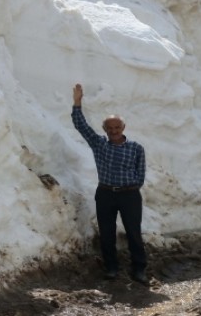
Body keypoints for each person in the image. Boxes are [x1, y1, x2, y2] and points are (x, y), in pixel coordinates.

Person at [71, 83, 149, 285]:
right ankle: (111, 268)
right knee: (106, 233)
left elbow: (141, 172)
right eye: (110, 128)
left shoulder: (136, 148)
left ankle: (139, 269)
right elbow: (81, 126)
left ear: (123, 128)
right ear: (105, 130)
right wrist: (77, 102)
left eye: (117, 127)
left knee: (133, 232)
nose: (113, 131)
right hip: (105, 194)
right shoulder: (99, 144)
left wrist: (132, 187)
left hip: (130, 195)